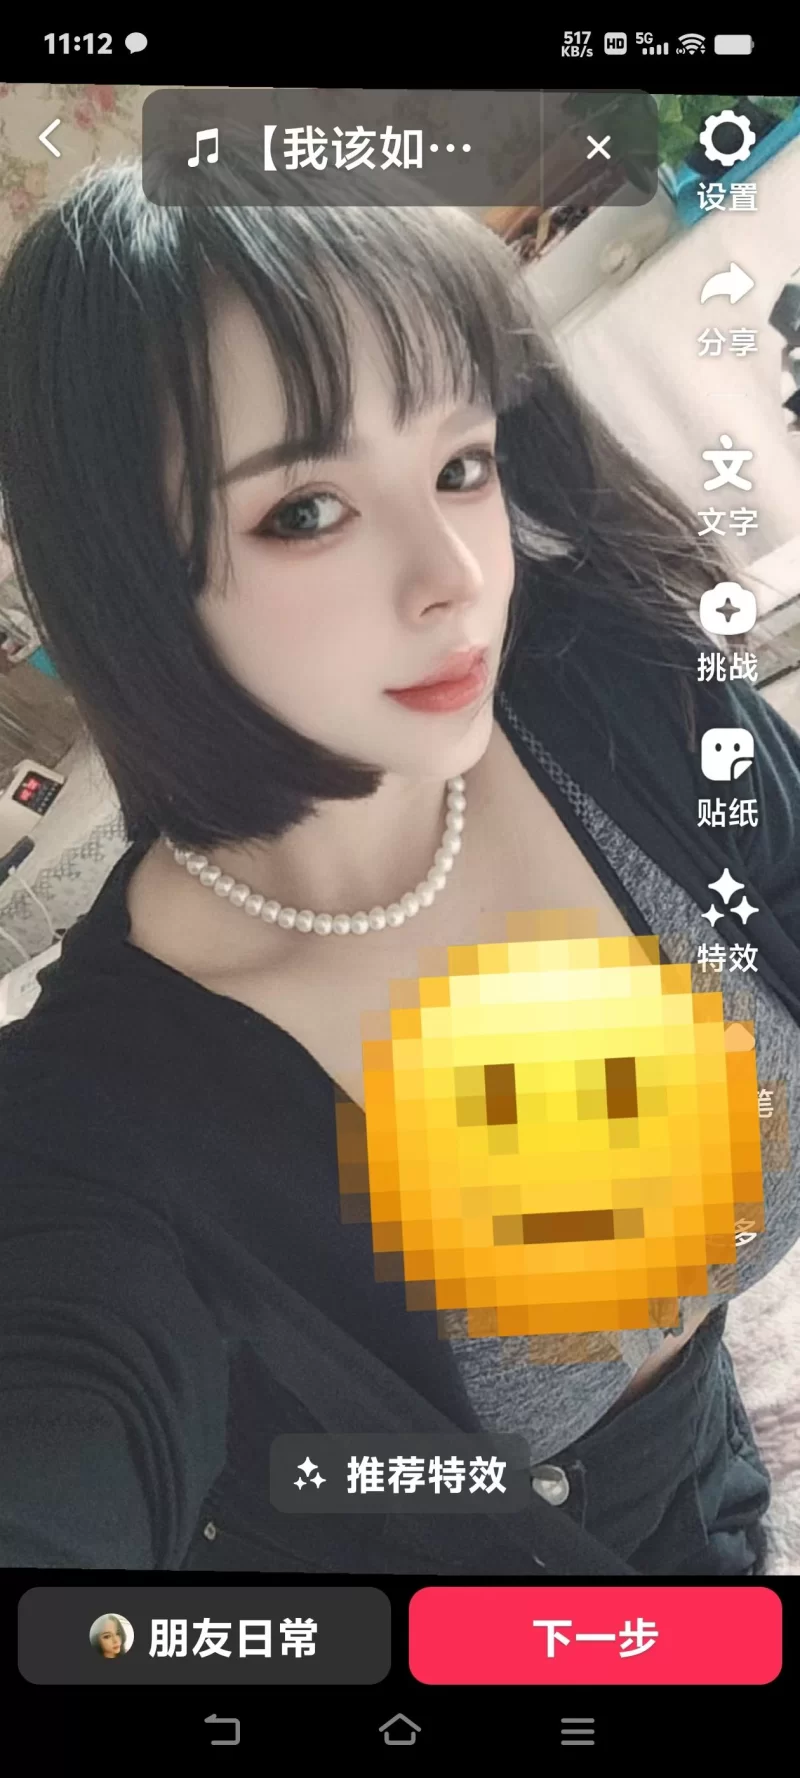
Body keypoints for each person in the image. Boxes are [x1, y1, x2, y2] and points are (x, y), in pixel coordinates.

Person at [0, 143, 797, 1577]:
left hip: (721, 1469)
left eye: (460, 464)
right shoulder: (100, 1119)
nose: (456, 576)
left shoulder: (615, 684)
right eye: (305, 510)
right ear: (129, 579)